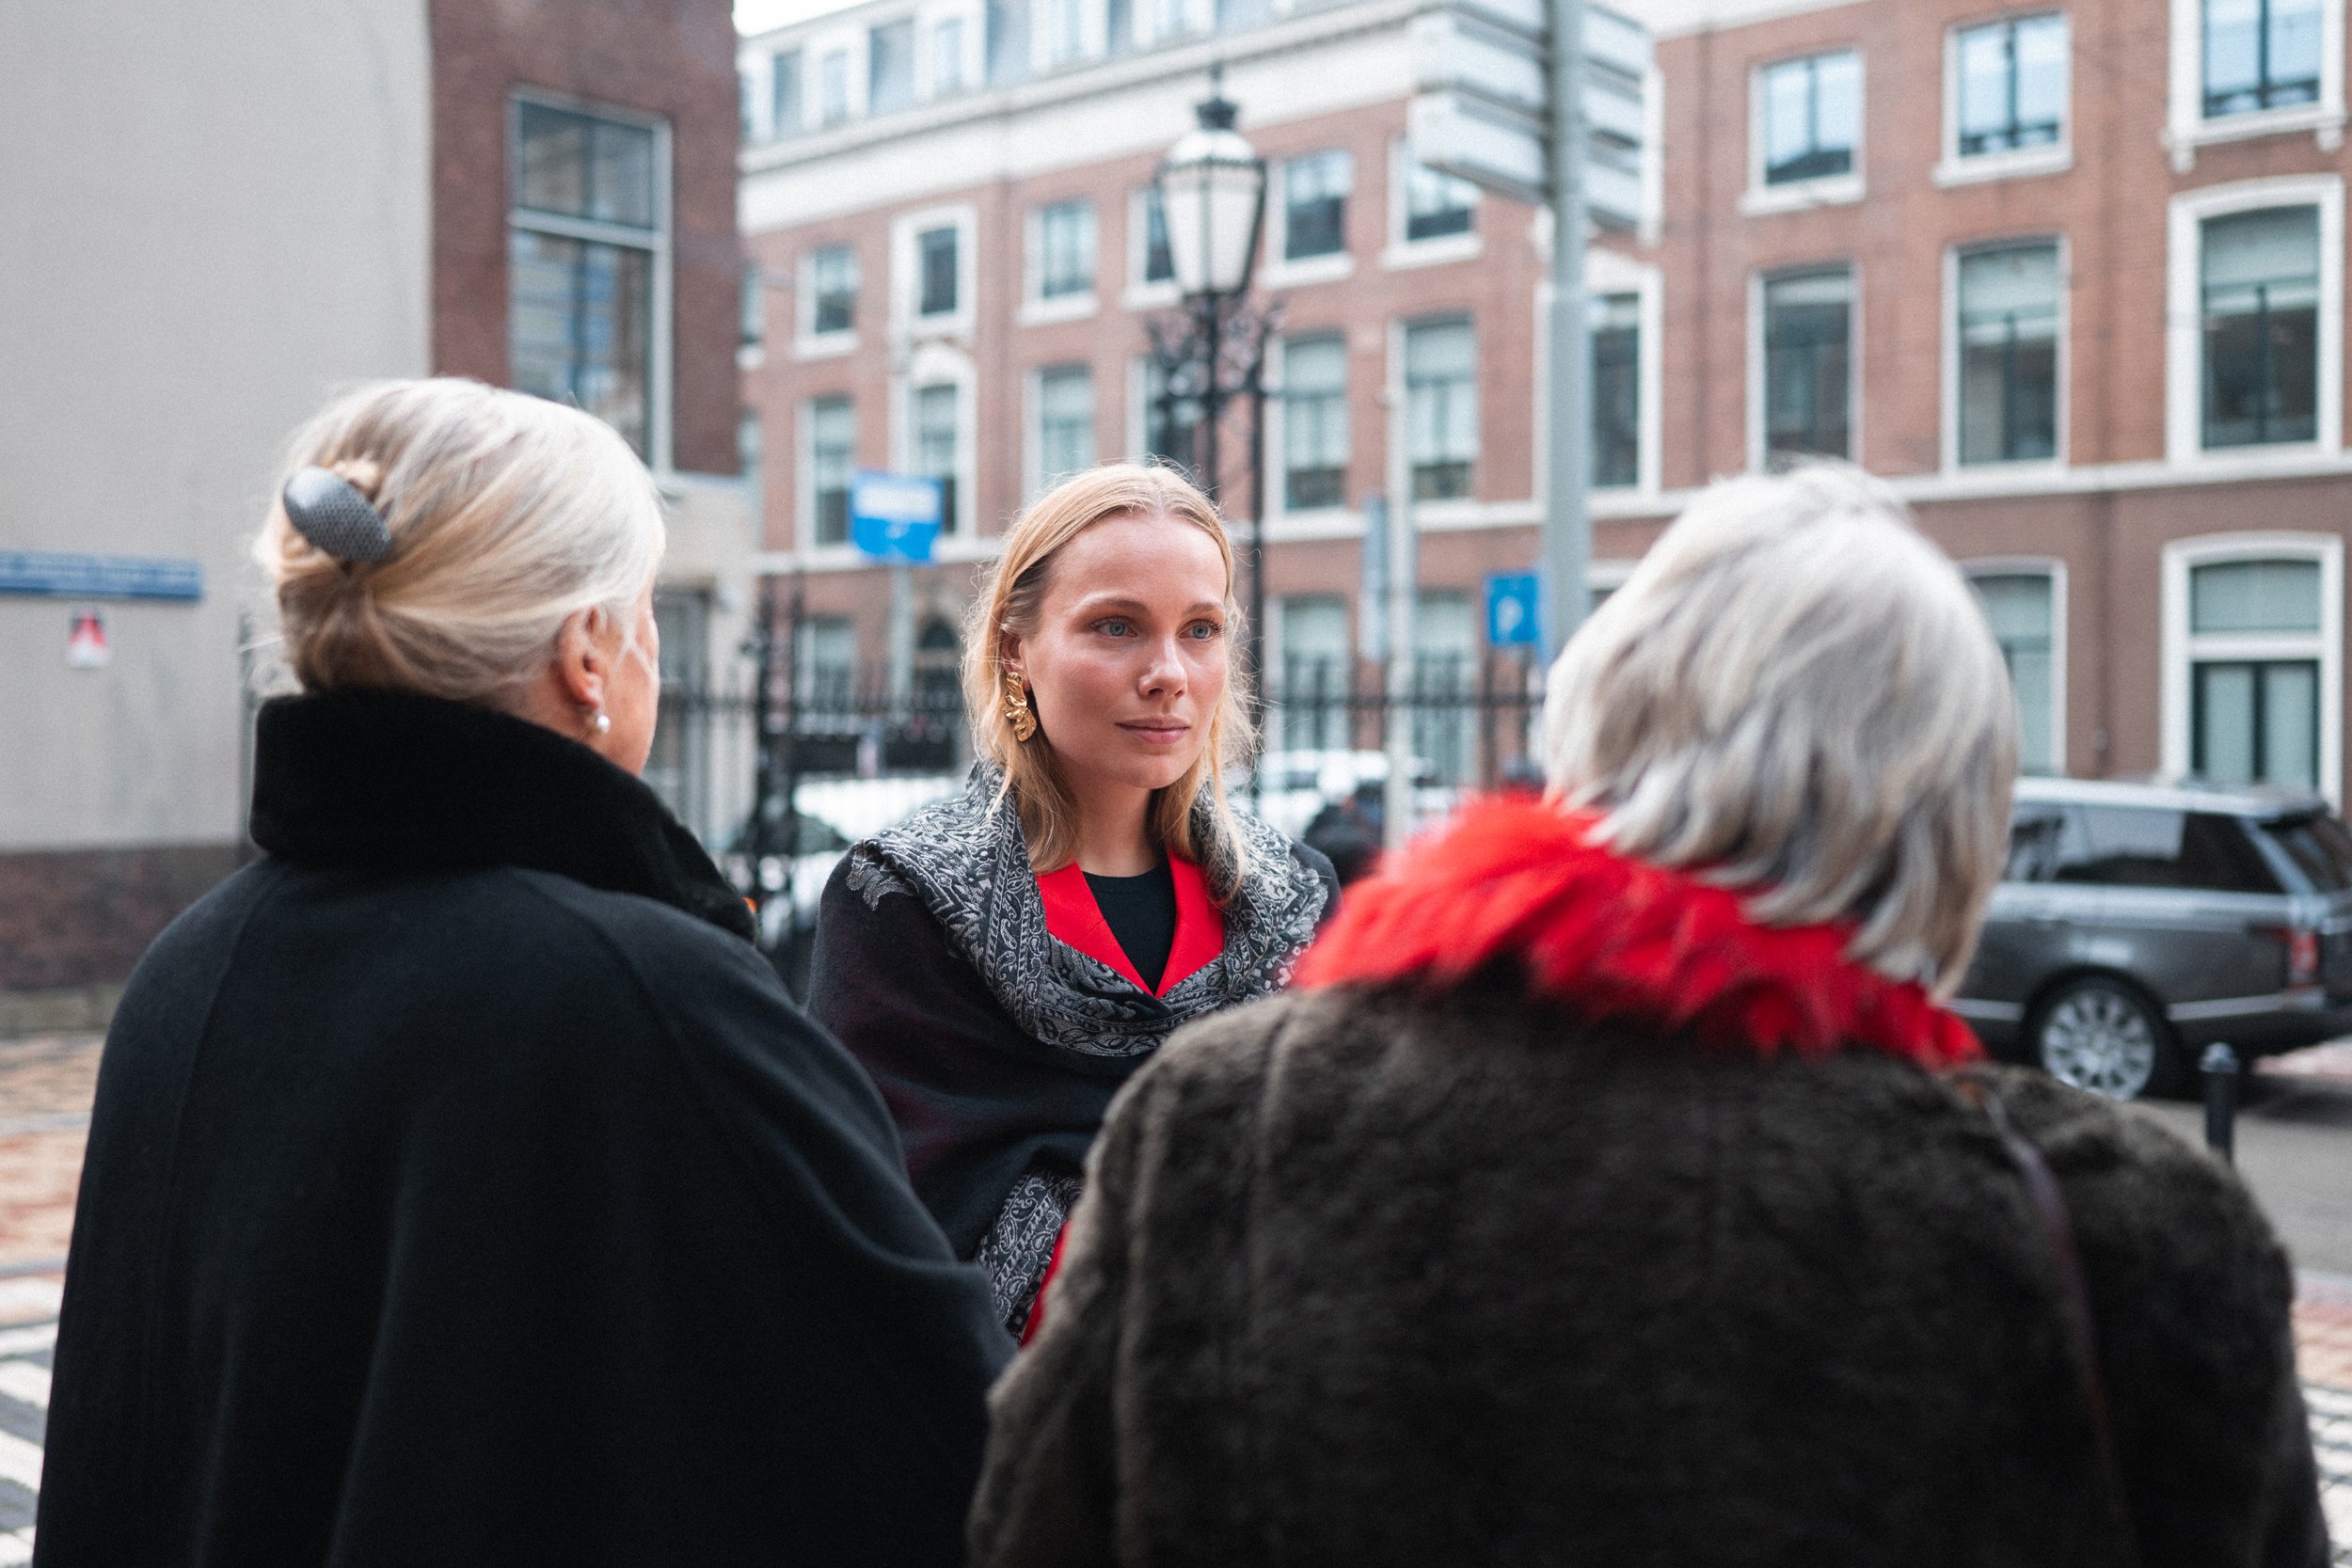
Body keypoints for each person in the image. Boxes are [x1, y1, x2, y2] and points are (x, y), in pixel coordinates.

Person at [971, 466, 2330, 1568]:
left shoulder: (1230, 1117)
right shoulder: (2130, 1238)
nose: (1171, 670)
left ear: (1597, 722)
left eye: (1204, 629)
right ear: (1966, 810)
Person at [36, 379, 1010, 1567]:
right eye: (644, 610)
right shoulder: (650, 1003)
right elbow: (952, 1450)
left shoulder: (183, 971)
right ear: (589, 649)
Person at [808, 463, 1337, 1337]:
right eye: (1116, 626)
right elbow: (879, 1234)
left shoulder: (1295, 904)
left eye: (1201, 629)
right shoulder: (902, 903)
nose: (1168, 672)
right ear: (1015, 650)